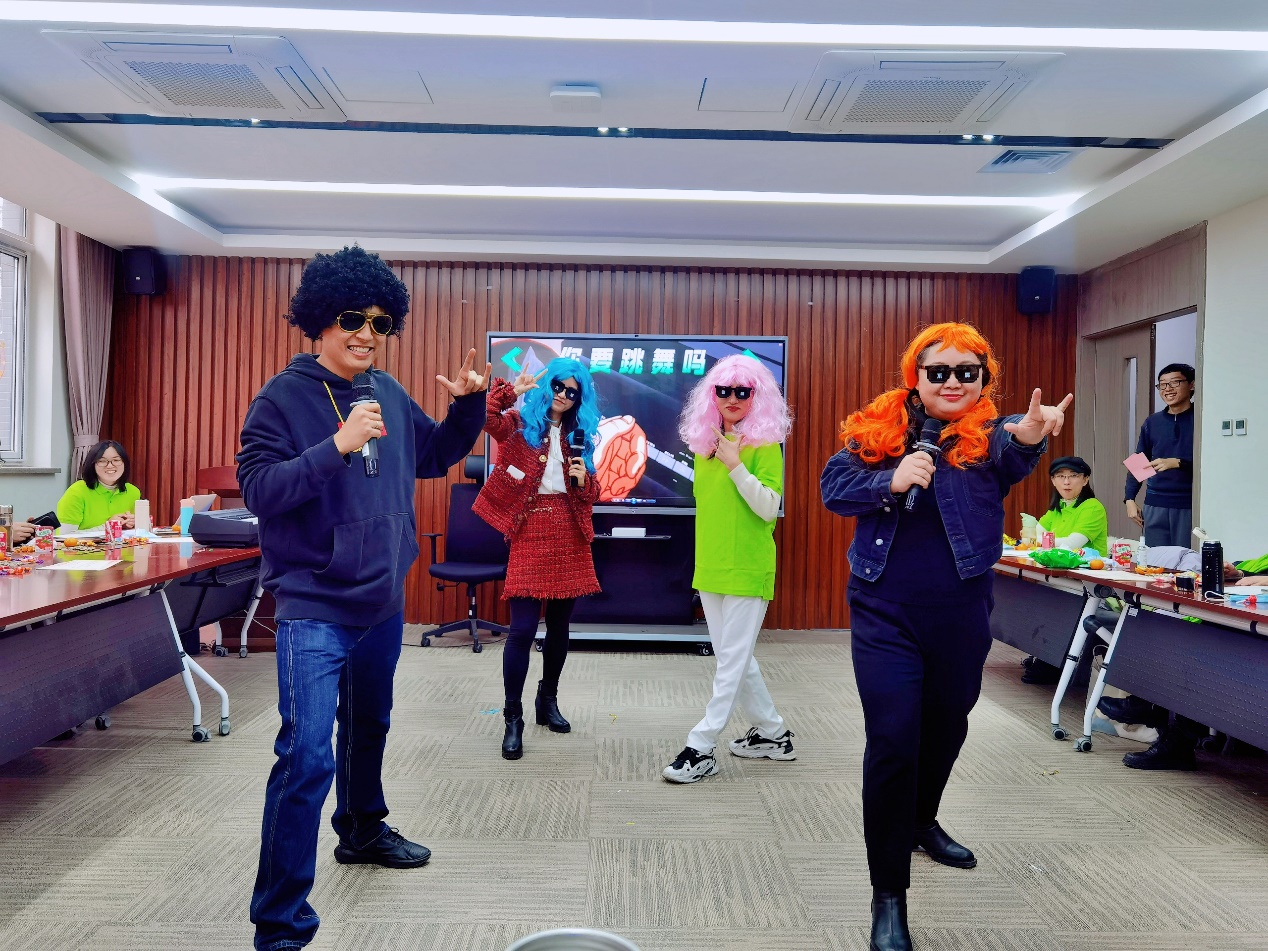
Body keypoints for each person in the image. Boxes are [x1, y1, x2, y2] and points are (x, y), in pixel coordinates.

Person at [237, 246, 488, 951]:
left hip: (381, 598)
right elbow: (260, 491)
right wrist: (337, 446)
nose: (367, 333)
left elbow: (434, 456)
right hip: (313, 603)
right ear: (319, 320)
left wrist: (467, 407)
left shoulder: (388, 390)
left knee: (369, 726)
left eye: (380, 322)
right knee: (306, 755)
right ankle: (280, 926)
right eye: (353, 318)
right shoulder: (281, 398)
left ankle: (362, 829)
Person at [820, 322, 1069, 951]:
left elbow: (1016, 444)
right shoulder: (877, 431)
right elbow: (833, 490)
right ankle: (888, 897)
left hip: (960, 612)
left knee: (947, 726)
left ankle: (921, 820)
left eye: (968, 371)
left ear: (984, 379)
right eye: (939, 371)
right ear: (917, 376)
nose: (953, 382)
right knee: (893, 739)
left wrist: (1032, 434)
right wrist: (891, 479)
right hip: (884, 612)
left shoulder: (989, 437)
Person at [662, 354, 794, 784]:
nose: (732, 398)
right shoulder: (705, 447)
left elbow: (768, 508)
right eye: (724, 390)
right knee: (735, 658)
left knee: (731, 662)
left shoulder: (764, 445)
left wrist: (736, 464)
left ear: (758, 396)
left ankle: (701, 746)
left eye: (743, 391)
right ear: (712, 395)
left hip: (748, 567)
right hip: (712, 566)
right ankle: (773, 734)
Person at [472, 358, 602, 761]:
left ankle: (548, 700)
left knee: (560, 626)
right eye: (558, 387)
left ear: (580, 398)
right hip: (529, 530)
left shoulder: (581, 436)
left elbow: (590, 495)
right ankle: (513, 717)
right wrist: (512, 391)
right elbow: (484, 416)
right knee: (523, 629)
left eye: (572, 392)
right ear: (548, 388)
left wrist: (584, 480)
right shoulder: (519, 424)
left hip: (570, 530)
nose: (563, 395)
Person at [1021, 456, 1109, 686]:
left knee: (1056, 599)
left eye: (1073, 476)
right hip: (1061, 578)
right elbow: (1036, 537)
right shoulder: (1057, 508)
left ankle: (1053, 663)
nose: (1066, 482)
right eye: (1060, 477)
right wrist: (1047, 540)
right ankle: (1043, 654)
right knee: (1031, 593)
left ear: (1085, 479)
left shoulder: (1092, 507)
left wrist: (1048, 540)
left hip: (1087, 583)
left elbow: (1072, 544)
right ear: (1053, 481)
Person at [1125, 363, 1195, 547]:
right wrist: (1130, 498)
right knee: (1155, 558)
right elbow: (1139, 460)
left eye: (1175, 382)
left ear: (1192, 385)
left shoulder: (1202, 418)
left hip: (1189, 504)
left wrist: (1179, 463)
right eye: (1162, 384)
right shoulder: (1152, 422)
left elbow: (1214, 462)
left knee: (1187, 559)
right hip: (1155, 503)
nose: (1167, 389)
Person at [55, 440, 140, 530]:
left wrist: (129, 524)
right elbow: (65, 536)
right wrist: (107, 526)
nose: (110, 466)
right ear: (92, 464)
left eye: (116, 460)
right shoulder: (77, 491)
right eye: (102, 461)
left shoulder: (133, 492)